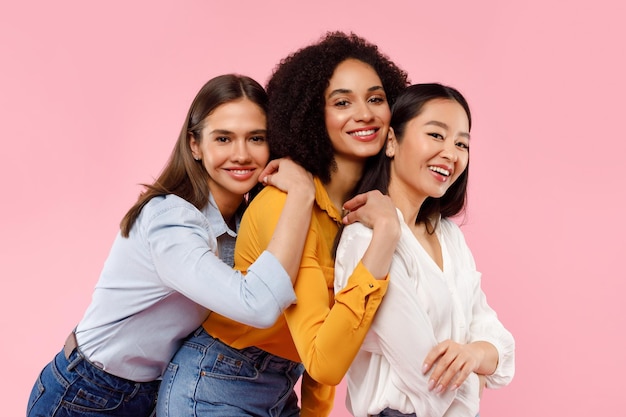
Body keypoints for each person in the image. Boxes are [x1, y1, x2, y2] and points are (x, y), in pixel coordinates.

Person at [26, 74, 317, 417]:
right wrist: (301, 193)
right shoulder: (170, 220)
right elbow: (258, 306)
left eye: (256, 138)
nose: (241, 154)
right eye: (223, 138)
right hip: (89, 392)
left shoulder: (246, 223)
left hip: (158, 390)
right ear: (195, 145)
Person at [156, 32, 409, 417]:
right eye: (342, 102)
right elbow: (324, 358)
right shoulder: (285, 204)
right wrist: (387, 236)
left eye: (376, 98)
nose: (366, 113)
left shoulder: (367, 211)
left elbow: (333, 333)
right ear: (310, 113)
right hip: (215, 383)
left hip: (279, 386)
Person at [334, 83, 516, 417]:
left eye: (462, 143)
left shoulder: (448, 235)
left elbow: (502, 347)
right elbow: (430, 380)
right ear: (392, 141)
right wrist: (477, 377)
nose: (451, 153)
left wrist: (476, 356)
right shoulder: (368, 239)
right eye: (436, 135)